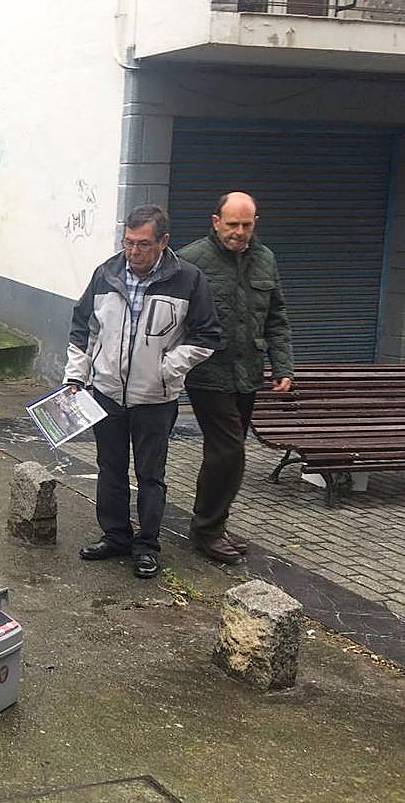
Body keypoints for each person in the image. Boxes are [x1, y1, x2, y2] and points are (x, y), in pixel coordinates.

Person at [65, 204, 220, 579]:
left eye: (143, 245)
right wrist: (76, 377)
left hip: (155, 399)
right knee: (110, 470)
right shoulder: (106, 273)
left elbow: (207, 335)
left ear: (164, 242)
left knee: (151, 475)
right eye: (129, 243)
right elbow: (83, 328)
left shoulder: (188, 279)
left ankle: (147, 545)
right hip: (106, 393)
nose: (133, 252)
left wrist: (168, 368)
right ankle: (116, 536)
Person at [178, 192, 292, 564]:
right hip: (207, 372)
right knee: (229, 452)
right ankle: (207, 530)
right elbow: (168, 317)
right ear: (216, 221)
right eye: (232, 224)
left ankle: (213, 525)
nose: (239, 232)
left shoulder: (265, 259)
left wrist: (283, 366)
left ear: (255, 221)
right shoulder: (191, 260)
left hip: (248, 373)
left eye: (246, 224)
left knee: (225, 454)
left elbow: (276, 317)